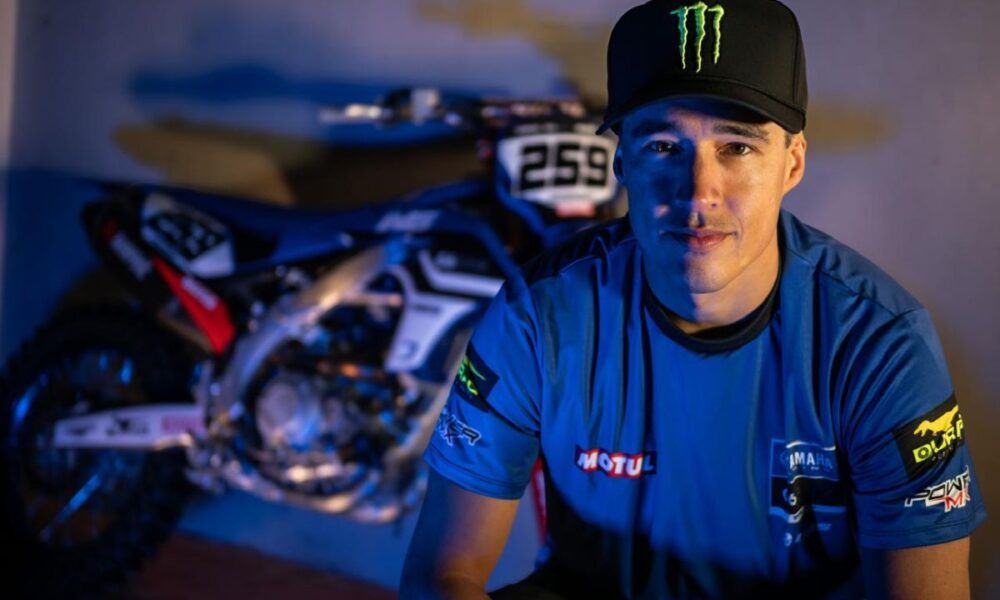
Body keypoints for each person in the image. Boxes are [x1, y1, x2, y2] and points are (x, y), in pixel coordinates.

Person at [400, 0, 987, 597]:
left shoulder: (880, 342)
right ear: (621, 162)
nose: (698, 191)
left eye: (737, 147)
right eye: (663, 146)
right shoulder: (538, 313)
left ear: (792, 163)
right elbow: (442, 574)